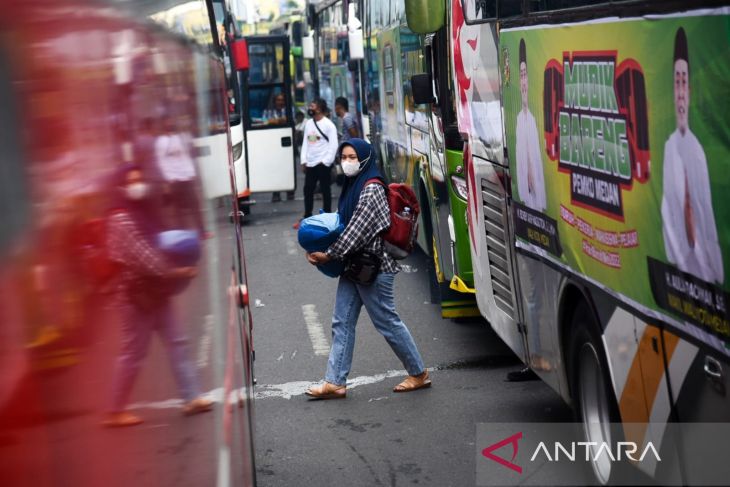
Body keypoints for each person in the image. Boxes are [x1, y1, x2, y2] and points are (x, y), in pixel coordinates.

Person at [304, 138, 431, 399]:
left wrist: (329, 254)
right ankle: (335, 381)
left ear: (364, 159)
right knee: (342, 322)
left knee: (387, 321)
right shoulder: (354, 184)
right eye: (344, 156)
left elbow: (357, 230)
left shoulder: (371, 187)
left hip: (373, 267)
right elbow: (343, 223)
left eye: (352, 157)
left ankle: (418, 373)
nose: (347, 162)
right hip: (355, 265)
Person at [104, 165, 212, 427]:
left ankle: (191, 397)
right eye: (131, 181)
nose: (137, 185)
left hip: (156, 292)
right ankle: (114, 410)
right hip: (136, 296)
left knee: (178, 342)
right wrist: (179, 271)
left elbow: (161, 242)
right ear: (120, 187)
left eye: (140, 178)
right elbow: (146, 259)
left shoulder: (142, 212)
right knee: (133, 353)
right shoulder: (121, 218)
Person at [661, 27, 723, 284]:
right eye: (677, 82)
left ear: (691, 90)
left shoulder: (698, 152)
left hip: (703, 269)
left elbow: (706, 215)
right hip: (682, 266)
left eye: (684, 81)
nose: (681, 90)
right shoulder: (669, 147)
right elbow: (668, 208)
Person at [294, 98, 338, 229]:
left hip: (323, 163)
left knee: (325, 190)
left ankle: (328, 216)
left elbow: (333, 145)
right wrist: (304, 161)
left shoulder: (329, 125)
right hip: (311, 164)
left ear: (319, 108)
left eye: (312, 106)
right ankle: (307, 215)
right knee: (308, 189)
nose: (310, 108)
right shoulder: (309, 124)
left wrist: (326, 162)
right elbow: (306, 143)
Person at [515, 38, 546, 213]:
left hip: (537, 199)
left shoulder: (533, 121)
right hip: (527, 200)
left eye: (525, 74)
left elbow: (537, 165)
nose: (524, 81)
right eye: (521, 75)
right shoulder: (519, 121)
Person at [265, 93, 292, 203]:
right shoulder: (268, 112)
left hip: (286, 142)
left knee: (288, 167)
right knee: (275, 167)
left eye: (282, 100)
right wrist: (280, 120)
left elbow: (290, 119)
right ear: (275, 102)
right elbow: (266, 121)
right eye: (278, 100)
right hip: (273, 143)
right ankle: (276, 193)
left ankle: (290, 190)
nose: (280, 102)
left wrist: (276, 121)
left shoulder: (289, 110)